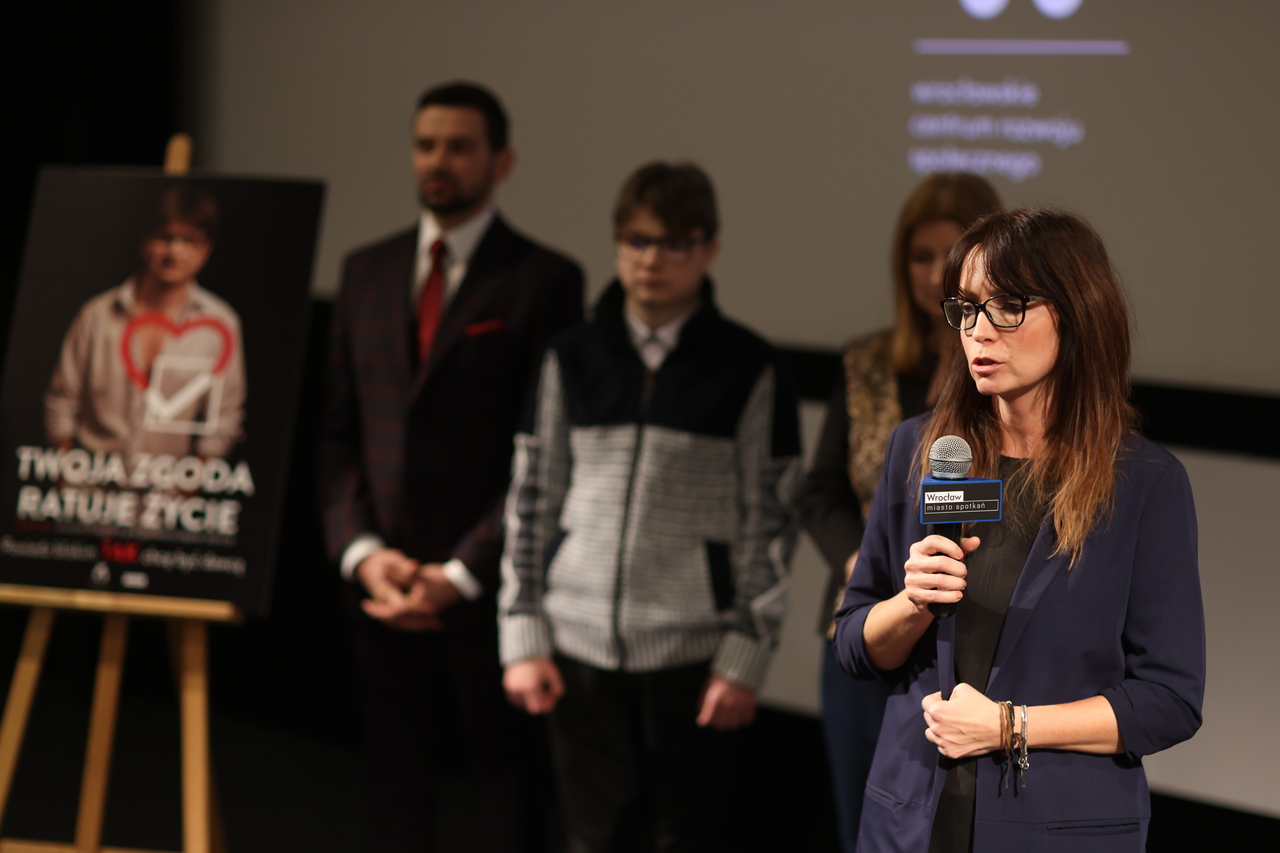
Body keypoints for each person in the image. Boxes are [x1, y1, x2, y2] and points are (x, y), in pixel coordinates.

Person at [833, 208, 1205, 851]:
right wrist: (912, 603)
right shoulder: (922, 450)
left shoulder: (1145, 483)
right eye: (966, 308)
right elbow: (854, 644)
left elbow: (1169, 699)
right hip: (911, 819)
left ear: (1076, 313)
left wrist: (1010, 726)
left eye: (1008, 307)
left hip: (1056, 827)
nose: (979, 331)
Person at [499, 161, 801, 852]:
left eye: (674, 244)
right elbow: (531, 498)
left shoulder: (750, 365)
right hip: (574, 645)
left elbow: (771, 520)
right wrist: (521, 632)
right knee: (591, 837)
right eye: (637, 240)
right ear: (616, 244)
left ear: (709, 250)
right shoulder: (569, 356)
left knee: (683, 838)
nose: (652, 259)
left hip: (694, 654)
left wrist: (746, 654)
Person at [320, 81, 585, 852]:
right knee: (392, 795)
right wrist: (363, 554)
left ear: (501, 162)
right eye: (426, 144)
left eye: (460, 146)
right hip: (382, 586)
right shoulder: (364, 270)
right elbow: (336, 434)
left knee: (509, 801)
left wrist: (462, 570)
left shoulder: (543, 278)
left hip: (490, 590)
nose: (439, 160)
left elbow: (547, 451)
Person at [798, 173, 1001, 852]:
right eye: (920, 255)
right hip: (871, 610)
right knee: (870, 817)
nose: (934, 271)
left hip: (975, 619)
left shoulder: (1002, 376)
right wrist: (864, 561)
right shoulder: (869, 362)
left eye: (951, 253)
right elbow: (819, 490)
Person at [45, 184, 245, 460]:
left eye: (190, 241)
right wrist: (67, 475)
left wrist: (191, 480)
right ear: (145, 240)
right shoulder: (96, 315)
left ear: (207, 249)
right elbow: (62, 401)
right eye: (165, 237)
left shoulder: (221, 324)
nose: (174, 251)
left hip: (170, 482)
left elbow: (225, 418)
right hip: (92, 480)